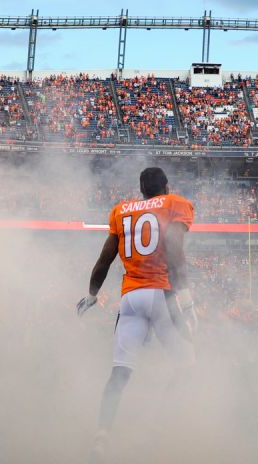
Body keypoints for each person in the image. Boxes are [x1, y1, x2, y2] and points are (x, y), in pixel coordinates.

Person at [77, 167, 197, 460]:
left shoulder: (121, 211)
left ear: (141, 190)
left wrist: (92, 295)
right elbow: (173, 248)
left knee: (119, 373)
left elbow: (104, 260)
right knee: (188, 365)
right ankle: (154, 431)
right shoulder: (175, 204)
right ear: (166, 186)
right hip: (162, 293)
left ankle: (101, 438)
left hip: (130, 299)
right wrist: (187, 298)